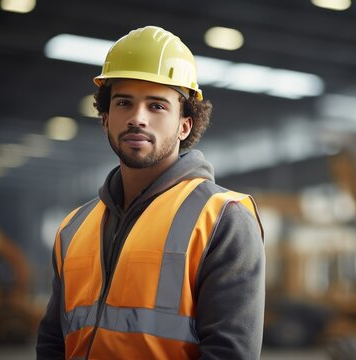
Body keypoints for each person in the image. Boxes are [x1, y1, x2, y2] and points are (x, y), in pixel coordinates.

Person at [36, 25, 265, 359]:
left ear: (184, 125)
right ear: (105, 118)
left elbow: (230, 353)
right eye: (124, 103)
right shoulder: (74, 227)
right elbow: (53, 341)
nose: (137, 118)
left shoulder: (223, 220)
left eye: (157, 106)